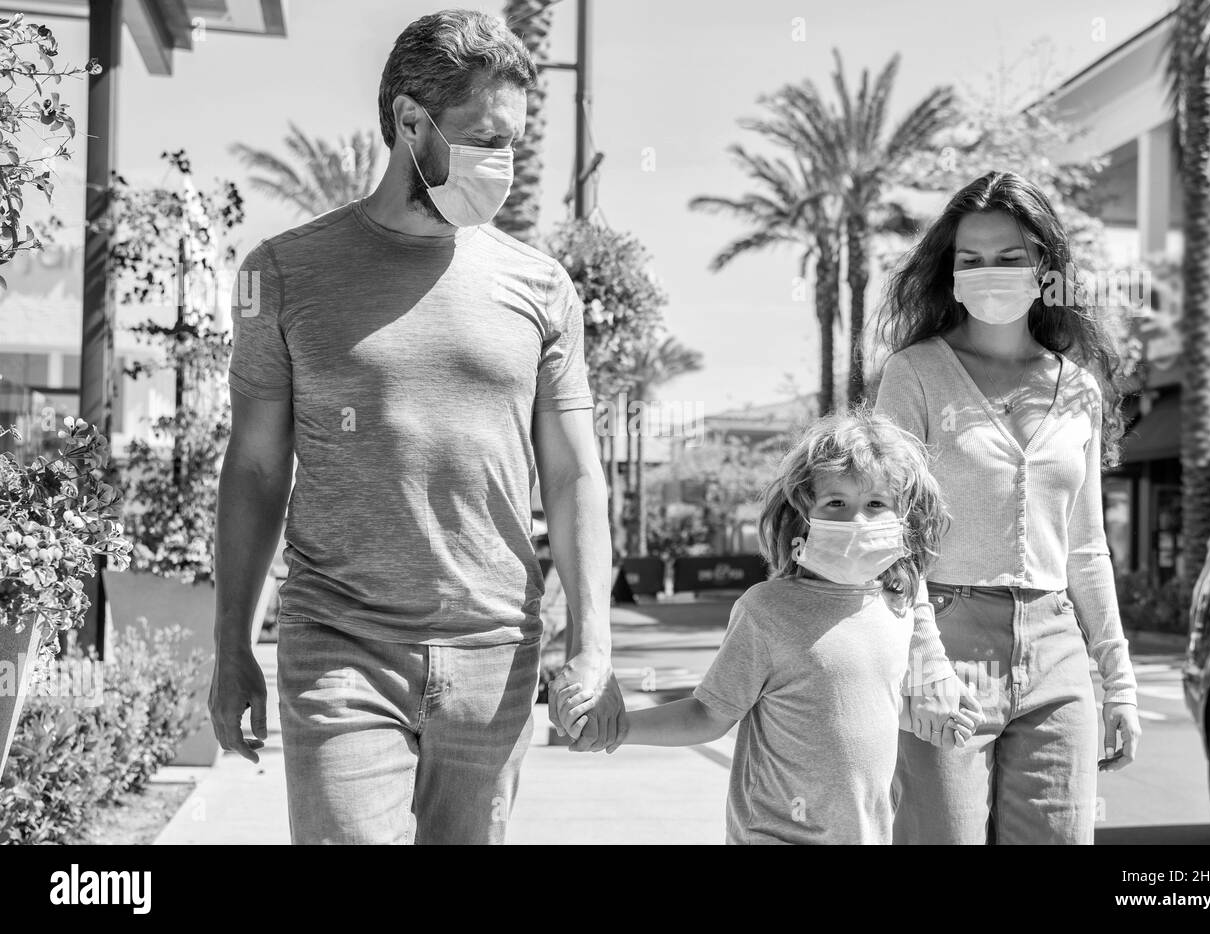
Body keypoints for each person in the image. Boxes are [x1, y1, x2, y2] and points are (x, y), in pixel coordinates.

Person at [208, 10, 624, 845]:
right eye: (482, 137)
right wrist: (231, 646)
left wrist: (594, 643)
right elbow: (254, 469)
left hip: (494, 649)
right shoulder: (284, 273)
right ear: (408, 121)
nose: (500, 163)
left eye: (513, 141)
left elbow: (575, 474)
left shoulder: (540, 289)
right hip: (339, 639)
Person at [559, 410, 982, 844]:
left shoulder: (896, 607)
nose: (857, 520)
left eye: (876, 503)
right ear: (802, 514)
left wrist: (932, 718)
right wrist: (621, 728)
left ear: (903, 517)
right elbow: (708, 714)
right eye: (836, 502)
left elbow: (862, 705)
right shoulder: (767, 611)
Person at [874, 170, 1141, 845]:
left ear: (1045, 268)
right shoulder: (914, 374)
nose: (988, 272)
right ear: (950, 271)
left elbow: (1085, 547)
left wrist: (1119, 680)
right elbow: (891, 532)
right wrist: (924, 660)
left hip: (1057, 650)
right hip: (946, 639)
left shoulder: (1080, 389)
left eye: (1010, 257)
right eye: (971, 260)